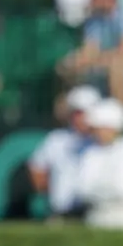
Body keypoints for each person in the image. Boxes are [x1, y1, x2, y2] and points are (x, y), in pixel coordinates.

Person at [27, 84, 101, 221]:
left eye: (85, 113)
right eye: (77, 113)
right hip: (61, 212)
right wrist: (53, 193)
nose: (81, 118)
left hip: (96, 213)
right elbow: (37, 169)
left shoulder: (102, 142)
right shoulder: (56, 140)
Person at [77, 98, 123, 229]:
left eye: (101, 128)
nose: (98, 132)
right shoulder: (90, 151)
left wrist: (99, 192)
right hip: (94, 217)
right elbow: (83, 188)